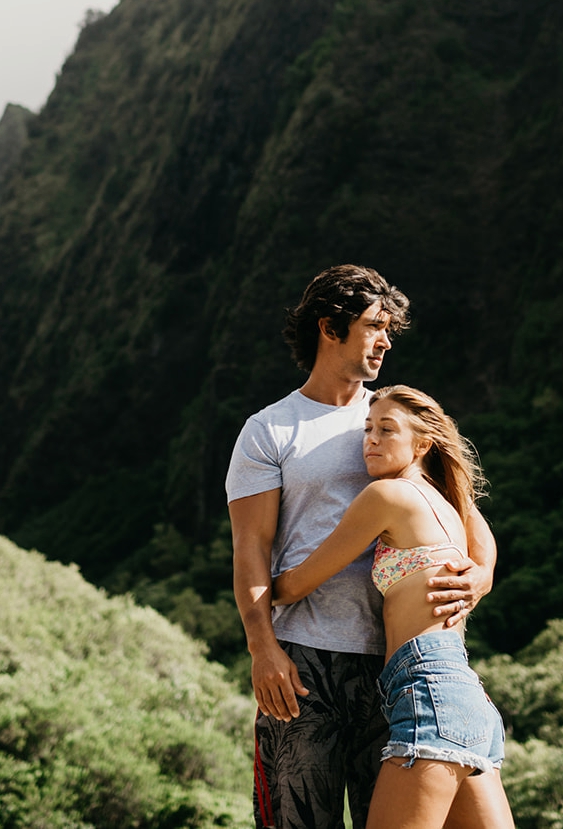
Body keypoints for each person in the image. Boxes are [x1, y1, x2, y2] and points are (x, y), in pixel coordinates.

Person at [228, 265, 498, 829]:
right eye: (375, 326)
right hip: (303, 664)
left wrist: (480, 576)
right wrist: (262, 649)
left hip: (393, 666)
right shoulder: (270, 430)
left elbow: (469, 522)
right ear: (330, 328)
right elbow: (250, 548)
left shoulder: (393, 419)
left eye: (389, 329)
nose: (386, 340)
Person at [273, 385, 513, 829]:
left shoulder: (387, 495)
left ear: (422, 444)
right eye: (367, 429)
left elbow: (298, 583)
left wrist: (253, 583)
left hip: (426, 691)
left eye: (387, 429)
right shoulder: (449, 501)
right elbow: (486, 550)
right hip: (468, 697)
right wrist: (483, 575)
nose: (371, 439)